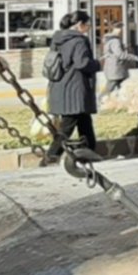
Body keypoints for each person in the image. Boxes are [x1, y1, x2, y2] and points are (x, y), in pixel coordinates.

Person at [44, 10, 102, 165]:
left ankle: (89, 151)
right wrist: (97, 64)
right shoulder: (79, 41)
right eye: (87, 24)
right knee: (67, 126)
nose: (89, 28)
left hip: (60, 85)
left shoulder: (58, 39)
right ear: (79, 25)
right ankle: (51, 156)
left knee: (84, 121)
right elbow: (81, 62)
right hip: (74, 88)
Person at [100, 31, 138, 97]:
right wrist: (133, 57)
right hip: (116, 69)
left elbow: (113, 53)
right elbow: (120, 55)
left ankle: (116, 100)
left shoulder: (109, 41)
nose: (120, 31)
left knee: (118, 86)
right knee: (111, 86)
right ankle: (100, 99)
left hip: (112, 68)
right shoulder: (115, 41)